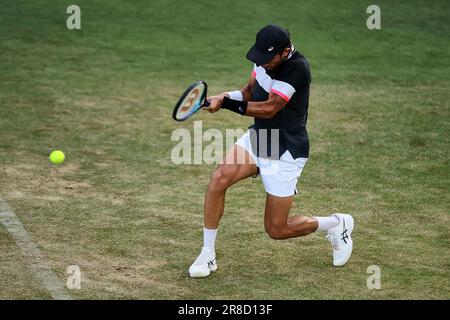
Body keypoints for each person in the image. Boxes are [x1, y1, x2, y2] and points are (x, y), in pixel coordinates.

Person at [189, 24, 354, 278]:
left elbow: (270, 108)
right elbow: (248, 92)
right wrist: (222, 97)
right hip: (262, 138)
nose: (263, 63)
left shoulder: (297, 68)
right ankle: (207, 254)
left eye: (268, 58)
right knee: (218, 180)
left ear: (285, 51)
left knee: (277, 229)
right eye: (260, 58)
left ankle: (336, 223)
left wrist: (226, 105)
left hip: (287, 147)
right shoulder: (264, 62)